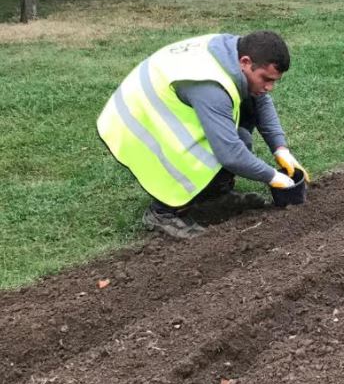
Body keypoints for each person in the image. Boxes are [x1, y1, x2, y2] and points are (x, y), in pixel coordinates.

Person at [97, 31, 306, 239]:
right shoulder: (212, 87)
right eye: (266, 79)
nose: (270, 87)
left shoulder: (233, 51)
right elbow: (231, 154)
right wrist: (272, 176)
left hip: (165, 100)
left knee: (239, 129)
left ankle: (214, 196)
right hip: (137, 119)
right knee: (200, 153)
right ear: (245, 62)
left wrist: (280, 149)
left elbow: (261, 102)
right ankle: (162, 213)